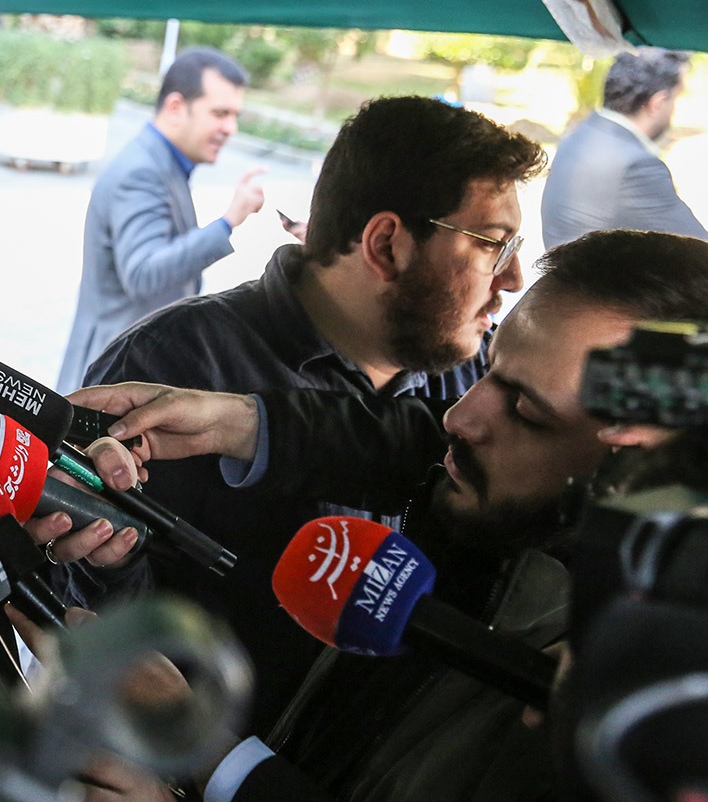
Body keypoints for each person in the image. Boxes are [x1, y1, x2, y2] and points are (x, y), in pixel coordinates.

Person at [71, 229, 708, 801]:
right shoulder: (523, 509)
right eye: (488, 370)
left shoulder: (637, 708)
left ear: (634, 477)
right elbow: (410, 438)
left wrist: (209, 759)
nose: (459, 416)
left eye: (526, 412)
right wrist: (235, 423)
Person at [63, 95, 547, 734]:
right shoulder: (172, 364)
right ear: (387, 244)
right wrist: (110, 558)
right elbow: (83, 616)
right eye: (495, 245)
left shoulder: (477, 381)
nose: (513, 278)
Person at [55, 47, 267, 393]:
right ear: (175, 108)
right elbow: (143, 274)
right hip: (114, 376)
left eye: (235, 115)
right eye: (220, 113)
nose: (231, 128)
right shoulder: (142, 172)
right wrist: (228, 221)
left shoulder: (163, 162)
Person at [541, 47, 704, 248]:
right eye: (676, 98)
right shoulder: (637, 166)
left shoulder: (580, 134)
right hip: (597, 267)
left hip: (567, 263)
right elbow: (700, 249)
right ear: (658, 103)